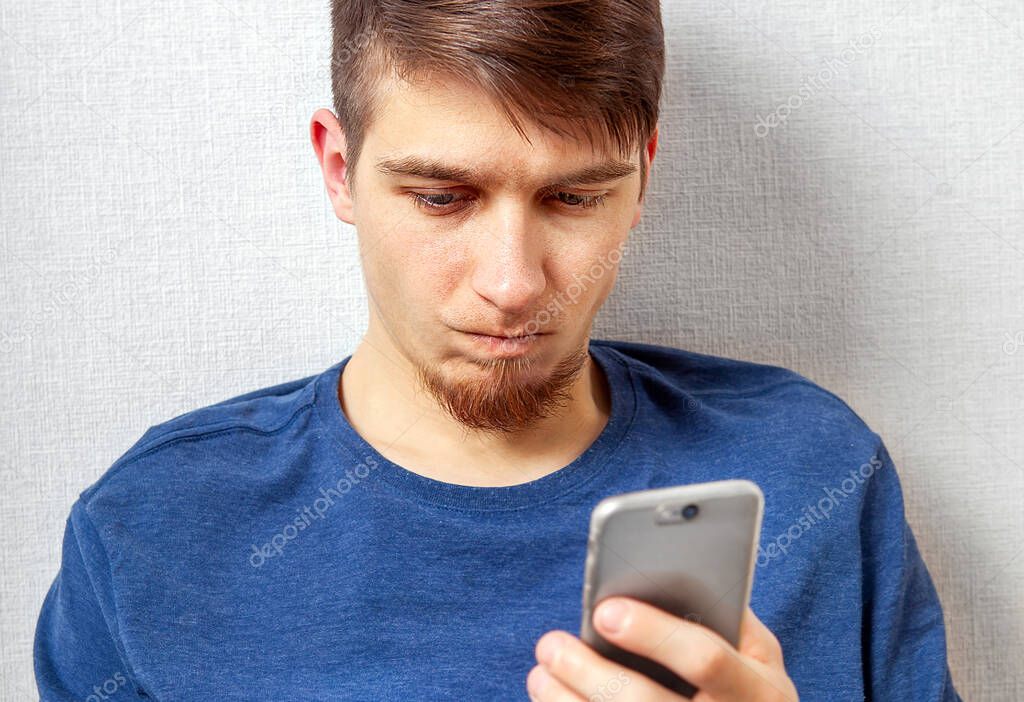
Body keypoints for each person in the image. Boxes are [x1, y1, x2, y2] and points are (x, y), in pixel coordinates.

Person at [34, 1, 962, 700]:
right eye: (442, 198)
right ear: (338, 168)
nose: (513, 283)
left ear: (642, 175)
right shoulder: (153, 528)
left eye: (575, 198)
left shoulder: (813, 472)